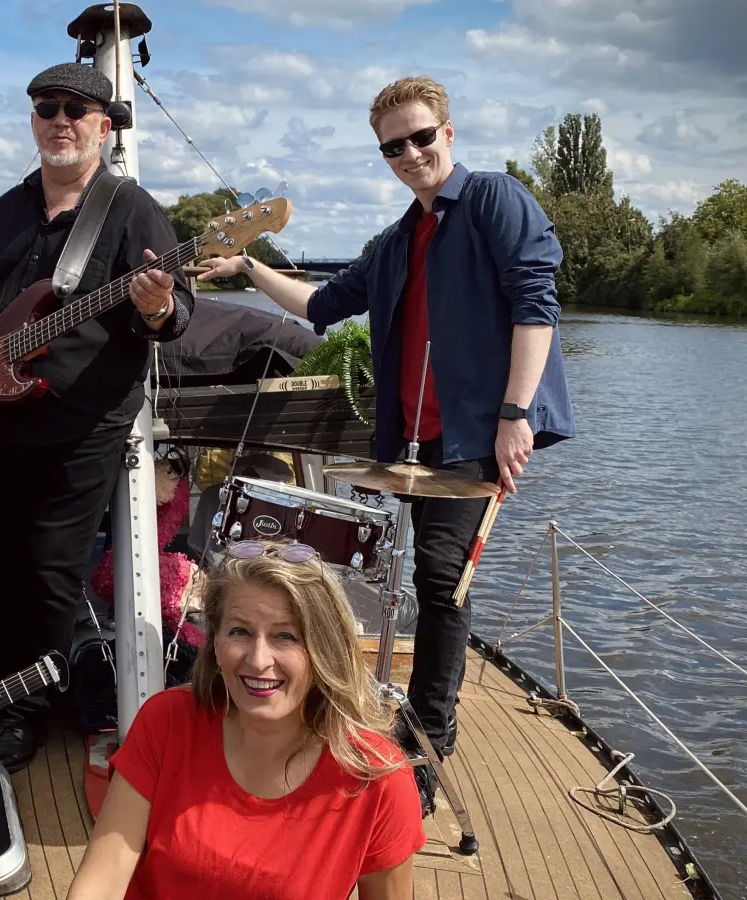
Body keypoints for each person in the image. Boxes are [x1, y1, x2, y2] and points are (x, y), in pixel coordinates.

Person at [195, 76, 575, 780]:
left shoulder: (493, 198)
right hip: (418, 444)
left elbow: (536, 306)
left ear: (448, 134)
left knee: (440, 577)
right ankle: (405, 715)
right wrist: (248, 265)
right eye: (393, 146)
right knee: (420, 576)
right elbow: (322, 304)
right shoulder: (400, 238)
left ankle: (430, 741)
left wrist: (516, 415)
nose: (409, 153)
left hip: (478, 436)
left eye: (421, 137)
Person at [0, 62, 195, 773]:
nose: (61, 120)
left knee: (47, 576)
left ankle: (24, 715)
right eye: (47, 108)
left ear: (104, 126)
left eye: (77, 109)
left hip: (76, 427)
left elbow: (176, 315)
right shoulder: (10, 207)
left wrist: (156, 304)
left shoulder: (132, 211)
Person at [67, 540, 425, 900]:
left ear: (325, 650)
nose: (258, 660)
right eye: (240, 632)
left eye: (285, 636)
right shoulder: (166, 722)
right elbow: (101, 881)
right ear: (216, 643)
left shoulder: (378, 780)